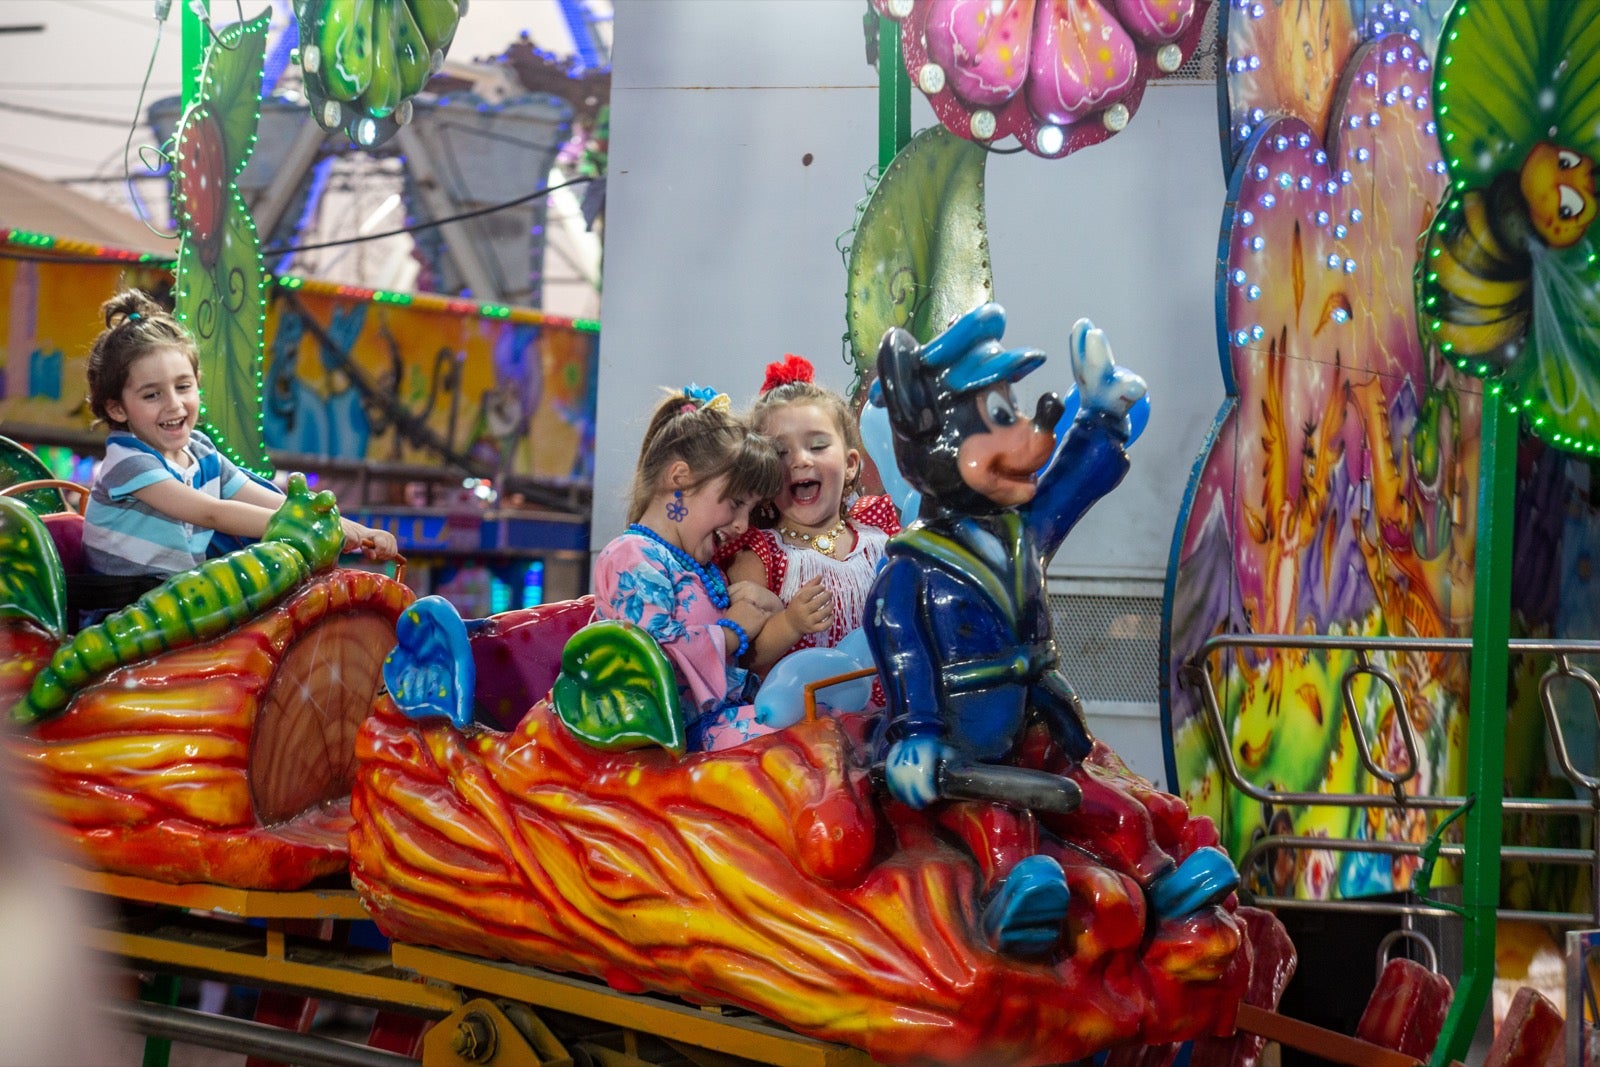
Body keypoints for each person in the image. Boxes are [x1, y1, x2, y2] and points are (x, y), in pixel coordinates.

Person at [80, 290, 397, 579]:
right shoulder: (129, 463)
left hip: (176, 594)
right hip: (125, 606)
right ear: (117, 408)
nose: (174, 405)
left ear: (198, 383)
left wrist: (344, 525)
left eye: (183, 387)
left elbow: (280, 504)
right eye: (152, 395)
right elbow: (212, 513)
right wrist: (310, 527)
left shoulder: (201, 453)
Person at [592, 385, 786, 750]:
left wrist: (772, 612)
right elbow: (652, 659)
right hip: (671, 744)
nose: (743, 524)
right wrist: (732, 632)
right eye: (736, 503)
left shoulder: (700, 565)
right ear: (679, 479)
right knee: (783, 750)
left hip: (712, 725)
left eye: (751, 510)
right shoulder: (633, 555)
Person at [725, 354, 900, 673]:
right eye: (780, 452)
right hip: (807, 714)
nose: (800, 460)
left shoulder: (882, 527)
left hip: (894, 706)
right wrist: (790, 624)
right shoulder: (759, 554)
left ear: (849, 465)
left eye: (818, 446)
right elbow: (744, 657)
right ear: (762, 474)